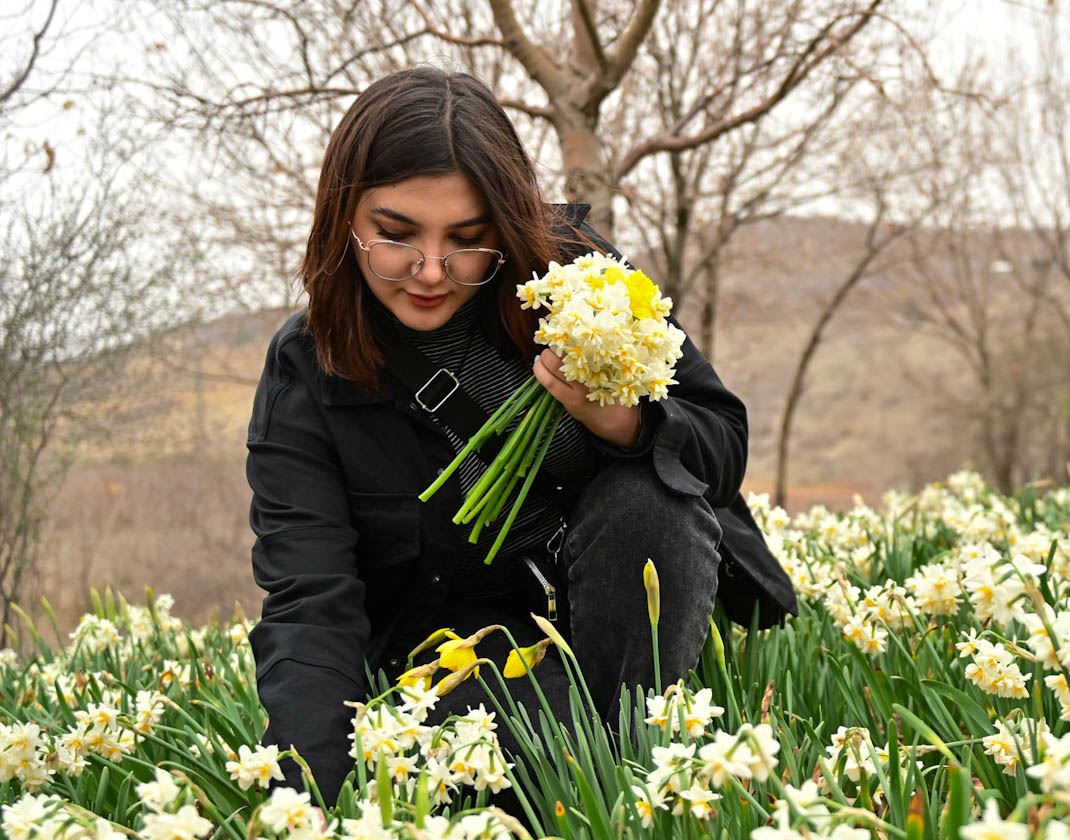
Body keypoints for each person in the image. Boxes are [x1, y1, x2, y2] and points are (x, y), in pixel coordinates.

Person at [245, 67, 796, 800]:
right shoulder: (309, 367)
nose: (432, 271)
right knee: (503, 752)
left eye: (469, 240)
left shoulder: (574, 280)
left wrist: (623, 421)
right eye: (396, 235)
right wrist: (304, 799)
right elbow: (311, 599)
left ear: (504, 222)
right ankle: (623, 769)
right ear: (343, 219)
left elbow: (722, 443)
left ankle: (606, 754)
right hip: (460, 650)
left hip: (613, 609)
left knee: (645, 501)